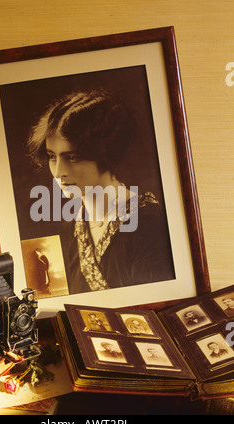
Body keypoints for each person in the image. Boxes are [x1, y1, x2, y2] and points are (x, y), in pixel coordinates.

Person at [27, 89, 175, 294]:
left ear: (105, 154)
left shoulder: (150, 223)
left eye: (73, 157)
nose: (59, 172)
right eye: (52, 156)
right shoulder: (69, 228)